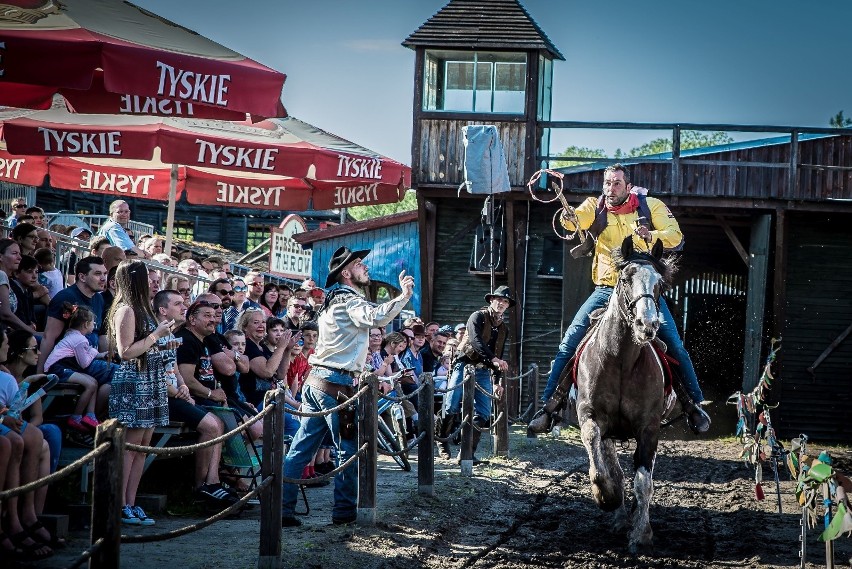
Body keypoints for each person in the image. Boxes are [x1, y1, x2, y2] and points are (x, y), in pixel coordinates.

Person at [530, 163, 710, 435]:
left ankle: (693, 404)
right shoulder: (595, 205)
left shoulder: (653, 207)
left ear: (628, 187)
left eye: (616, 183)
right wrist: (569, 217)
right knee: (569, 342)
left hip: (643, 292)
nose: (610, 188)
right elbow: (577, 219)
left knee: (675, 345)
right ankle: (549, 407)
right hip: (606, 289)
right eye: (607, 183)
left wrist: (652, 234)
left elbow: (676, 236)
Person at [281, 246, 414, 527]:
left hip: (319, 381)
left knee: (301, 448)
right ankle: (343, 513)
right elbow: (376, 317)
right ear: (346, 273)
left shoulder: (335, 300)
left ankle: (281, 509)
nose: (364, 267)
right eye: (358, 264)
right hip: (335, 385)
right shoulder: (348, 301)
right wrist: (403, 297)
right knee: (347, 450)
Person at [107, 260, 173, 526]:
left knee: (143, 448)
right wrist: (156, 335)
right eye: (149, 277)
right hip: (135, 381)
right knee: (131, 448)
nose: (154, 282)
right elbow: (126, 352)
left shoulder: (143, 308)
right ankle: (120, 504)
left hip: (151, 378)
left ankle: (132, 503)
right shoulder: (126, 310)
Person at [171, 294, 241, 507]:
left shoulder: (203, 340)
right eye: (207, 316)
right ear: (192, 319)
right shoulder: (186, 339)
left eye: (214, 316)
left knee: (232, 421)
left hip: (202, 399)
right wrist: (211, 395)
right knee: (215, 425)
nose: (213, 320)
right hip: (180, 398)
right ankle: (203, 486)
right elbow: (187, 381)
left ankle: (216, 481)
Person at [439, 286, 512, 464]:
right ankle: (442, 442)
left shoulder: (504, 329)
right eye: (499, 299)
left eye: (505, 301)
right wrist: (494, 359)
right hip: (464, 364)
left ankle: (467, 452)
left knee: (484, 412)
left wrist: (496, 381)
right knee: (451, 405)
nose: (502, 303)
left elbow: (499, 354)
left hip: (482, 370)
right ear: (491, 300)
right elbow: (476, 341)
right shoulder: (477, 317)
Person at [44, 303, 116, 433]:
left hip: (65, 366)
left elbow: (86, 353)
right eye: (93, 322)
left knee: (93, 381)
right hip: (57, 368)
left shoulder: (73, 334)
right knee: (90, 385)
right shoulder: (79, 340)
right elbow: (85, 363)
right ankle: (76, 416)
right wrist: (95, 353)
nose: (94, 325)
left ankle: (90, 415)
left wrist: (101, 355)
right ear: (85, 324)